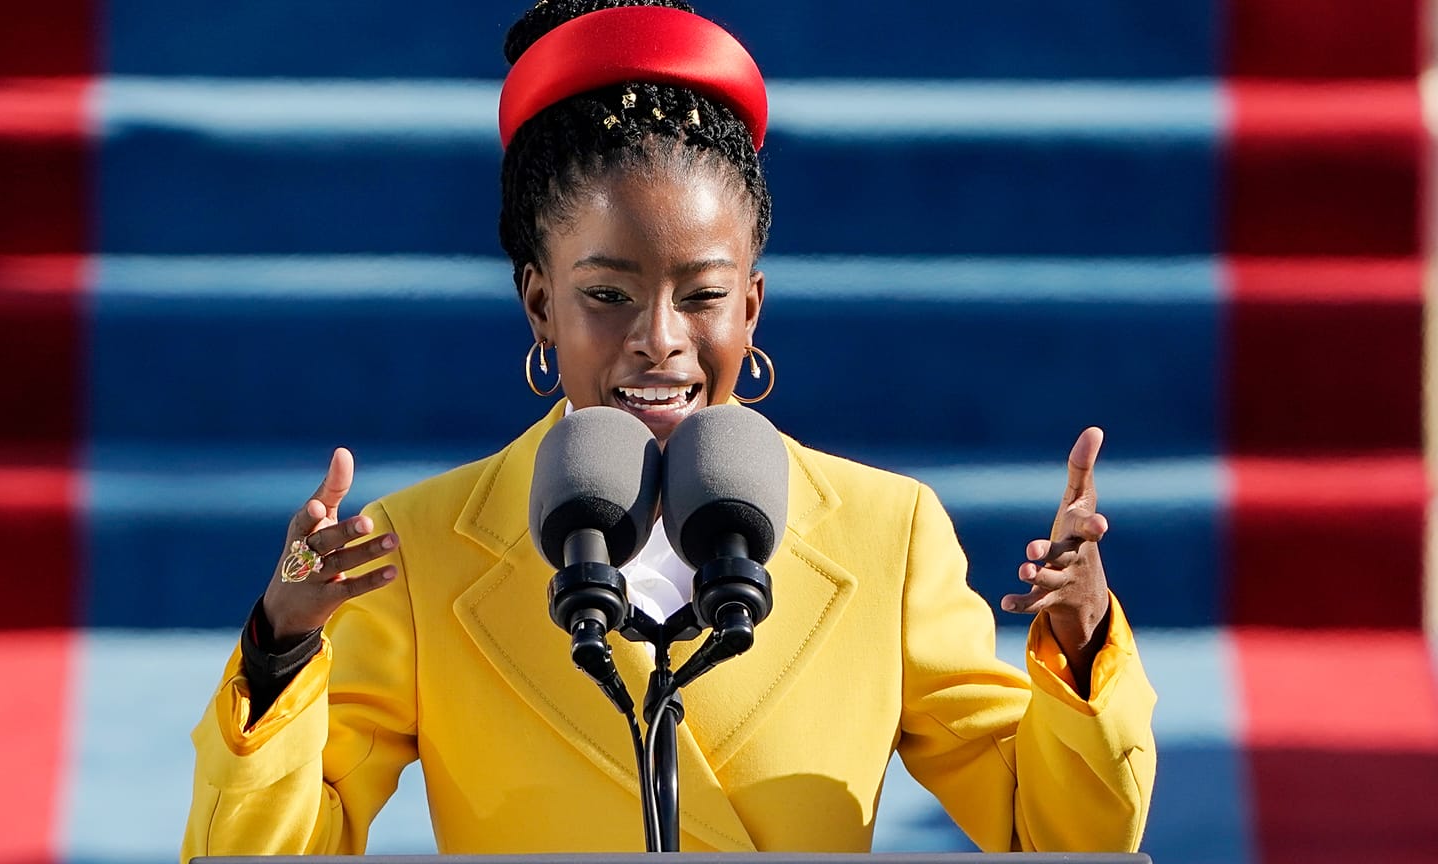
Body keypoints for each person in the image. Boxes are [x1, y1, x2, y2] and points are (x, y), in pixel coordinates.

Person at [181, 0, 1156, 857]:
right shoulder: (422, 550)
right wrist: (280, 652)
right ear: (539, 306)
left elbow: (1060, 835)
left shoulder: (885, 532)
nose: (660, 342)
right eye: (607, 295)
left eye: (703, 296)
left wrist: (1079, 646)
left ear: (753, 309)